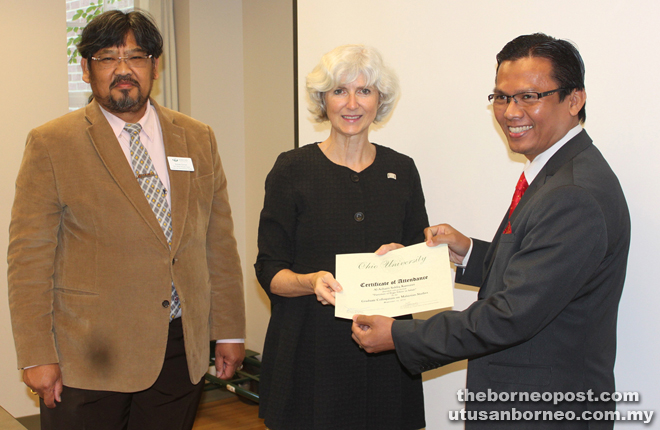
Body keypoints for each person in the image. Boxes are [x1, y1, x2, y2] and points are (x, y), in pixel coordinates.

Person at [352, 33, 630, 429]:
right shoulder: (556, 172)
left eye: (529, 97)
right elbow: (539, 273)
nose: (511, 111)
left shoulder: (573, 193)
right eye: (501, 97)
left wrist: (400, 335)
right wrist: (467, 253)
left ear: (574, 99)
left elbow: (510, 315)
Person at [7, 10, 245, 430]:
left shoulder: (197, 137)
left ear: (155, 65)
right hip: (88, 355)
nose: (123, 70)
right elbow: (29, 258)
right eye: (106, 58)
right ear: (85, 68)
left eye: (136, 57)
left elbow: (218, 242)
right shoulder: (51, 143)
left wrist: (229, 331)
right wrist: (36, 354)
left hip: (177, 348)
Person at [254, 44, 427, 430]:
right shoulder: (291, 169)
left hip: (384, 351)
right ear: (323, 100)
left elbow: (422, 260)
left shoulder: (403, 170)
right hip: (309, 351)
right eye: (339, 91)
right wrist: (309, 281)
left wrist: (406, 259)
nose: (352, 103)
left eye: (364, 91)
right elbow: (269, 270)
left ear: (379, 100)